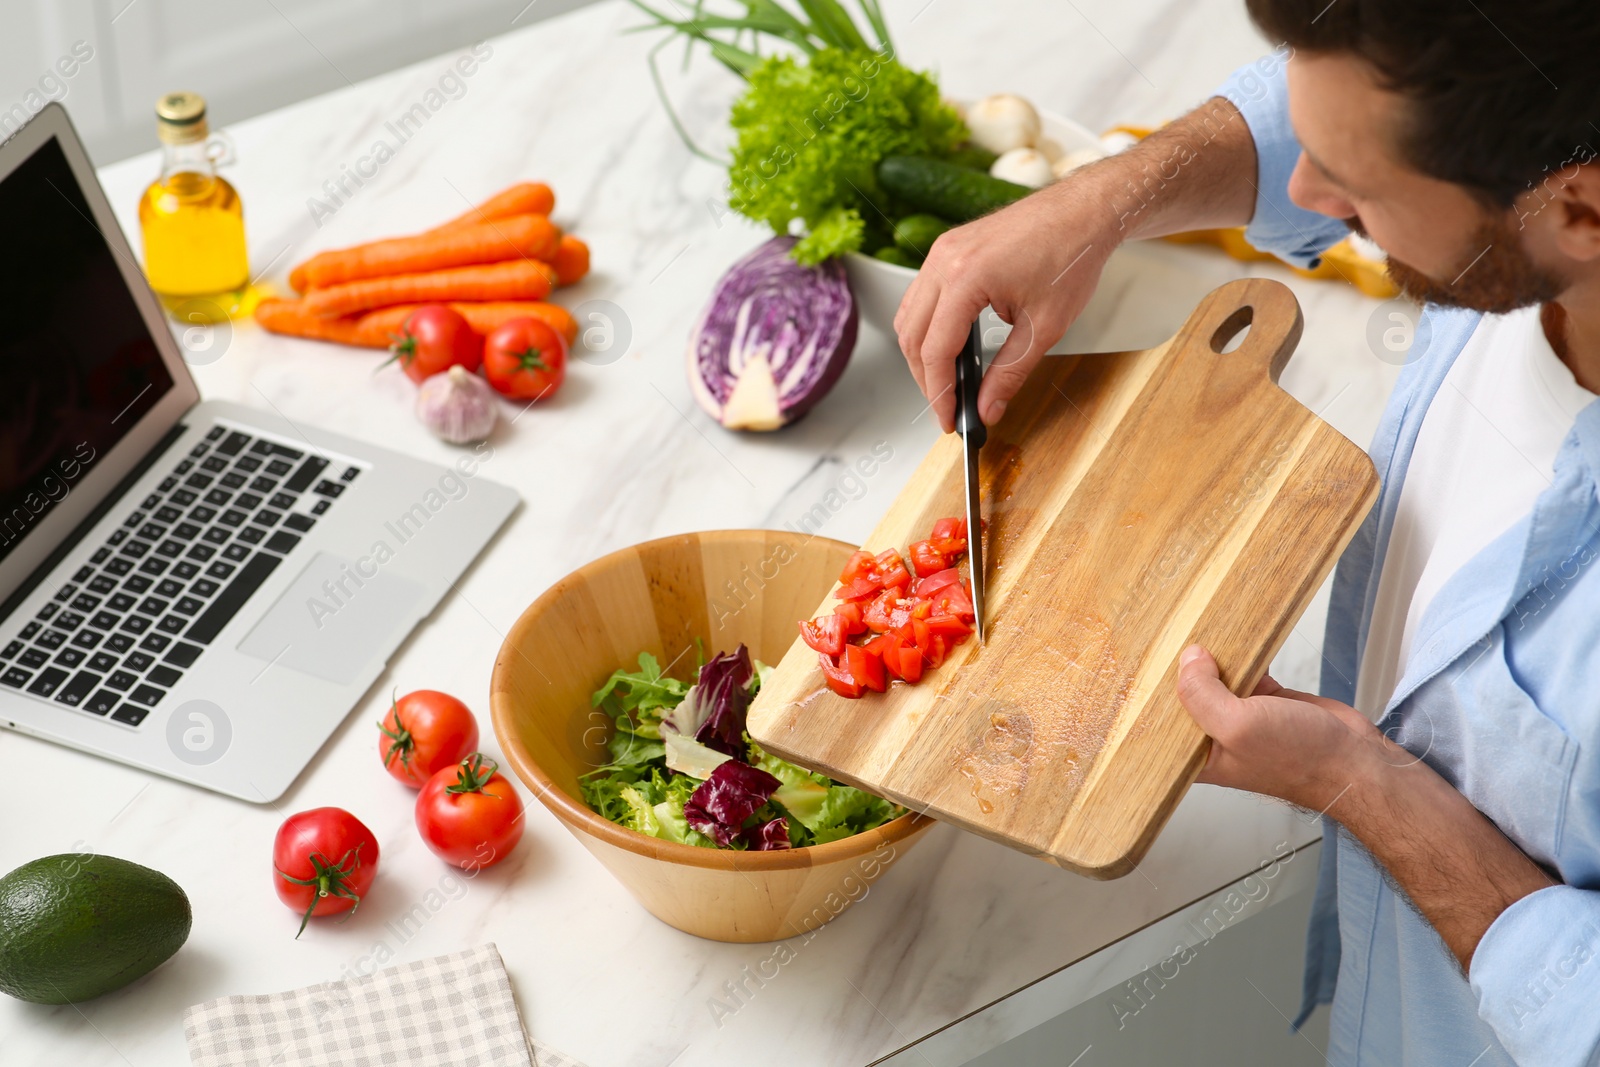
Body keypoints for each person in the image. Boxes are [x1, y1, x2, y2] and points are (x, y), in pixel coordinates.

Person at [894, 2, 1600, 1064]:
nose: (1308, 196)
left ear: (1580, 214)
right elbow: (1355, 97)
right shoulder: (1523, 123)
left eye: (1353, 195)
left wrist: (1361, 785)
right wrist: (1099, 199)